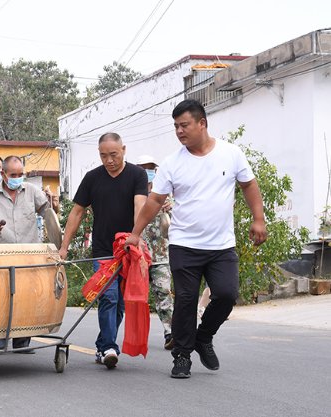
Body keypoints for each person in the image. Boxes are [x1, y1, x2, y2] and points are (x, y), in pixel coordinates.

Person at [124, 99, 267, 378]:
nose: (179, 131)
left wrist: (258, 219)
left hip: (221, 245)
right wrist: (135, 233)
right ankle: (182, 356)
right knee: (186, 301)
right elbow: (154, 201)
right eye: (175, 126)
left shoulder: (231, 153)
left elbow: (249, 185)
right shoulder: (172, 163)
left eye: (184, 125)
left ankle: (204, 337)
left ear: (202, 123)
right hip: (184, 245)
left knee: (227, 295)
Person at [59, 132, 148, 369]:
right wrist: (64, 247)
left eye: (114, 155)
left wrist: (136, 236)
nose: (109, 160)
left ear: (124, 150)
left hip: (129, 248)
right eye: (103, 156)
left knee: (120, 302)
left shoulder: (137, 175)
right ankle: (109, 347)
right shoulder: (92, 178)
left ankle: (102, 345)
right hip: (103, 250)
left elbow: (140, 205)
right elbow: (77, 212)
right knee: (108, 297)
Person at [0, 155, 55, 351]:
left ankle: (22, 339)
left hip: (29, 252)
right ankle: (0, 336)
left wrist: (53, 202)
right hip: (2, 253)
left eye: (21, 174)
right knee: (0, 295)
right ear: (4, 174)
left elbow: (48, 212)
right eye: (13, 174)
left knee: (27, 296)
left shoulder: (31, 191)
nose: (17, 177)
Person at [135, 154, 175, 350]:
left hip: (160, 253)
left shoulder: (166, 193)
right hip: (136, 254)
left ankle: (170, 332)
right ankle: (125, 338)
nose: (147, 172)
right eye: (143, 168)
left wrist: (172, 207)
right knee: (131, 297)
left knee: (163, 291)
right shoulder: (133, 193)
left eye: (150, 168)